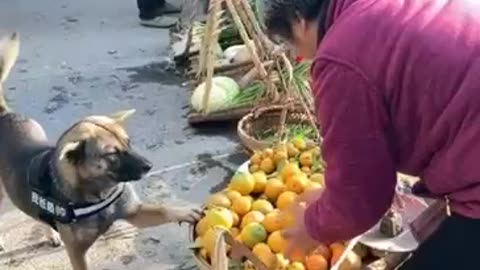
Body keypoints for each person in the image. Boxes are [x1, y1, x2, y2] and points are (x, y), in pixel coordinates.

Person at [262, 0, 480, 269]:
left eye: (290, 44)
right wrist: (331, 199)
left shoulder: (340, 56)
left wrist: (312, 227)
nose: (301, 56)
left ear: (299, 19)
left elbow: (360, 198)